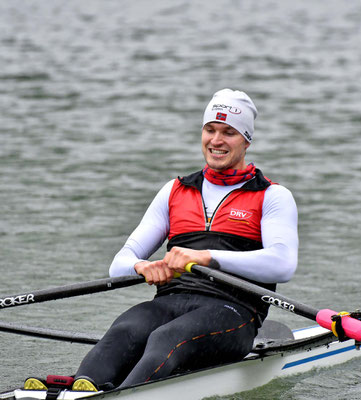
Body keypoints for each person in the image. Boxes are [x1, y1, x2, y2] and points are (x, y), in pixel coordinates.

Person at [27, 88, 299, 392]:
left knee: (167, 338)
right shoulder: (174, 191)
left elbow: (282, 265)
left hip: (233, 312)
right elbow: (119, 264)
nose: (216, 140)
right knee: (127, 329)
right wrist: (143, 267)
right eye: (210, 129)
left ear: (246, 140)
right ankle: (82, 387)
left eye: (229, 132)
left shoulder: (272, 197)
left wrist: (206, 257)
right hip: (171, 301)